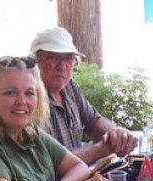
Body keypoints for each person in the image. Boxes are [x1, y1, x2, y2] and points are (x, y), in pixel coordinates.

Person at [0, 55, 108, 181]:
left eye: (30, 93)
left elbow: (78, 166)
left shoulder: (31, 132)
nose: (21, 101)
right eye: (10, 93)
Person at [30, 27, 138, 164]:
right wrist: (101, 149)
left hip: (81, 176)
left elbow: (94, 121)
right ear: (35, 61)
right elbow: (52, 164)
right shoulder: (31, 99)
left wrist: (115, 134)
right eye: (53, 57)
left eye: (69, 59)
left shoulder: (69, 86)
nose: (62, 66)